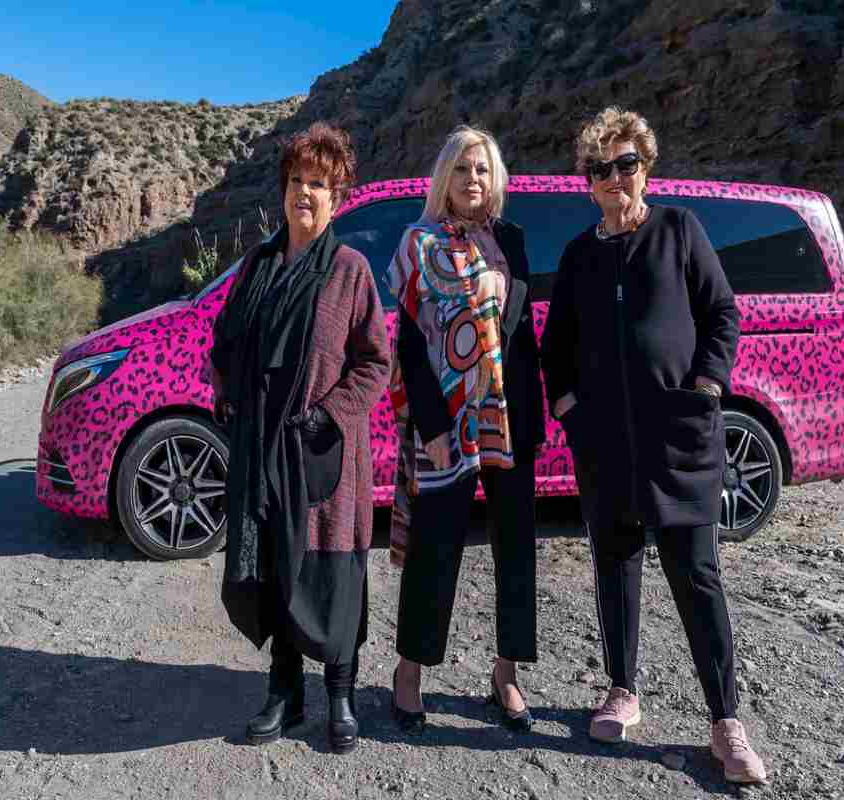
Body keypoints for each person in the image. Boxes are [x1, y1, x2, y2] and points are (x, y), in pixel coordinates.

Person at [540, 107, 767, 784]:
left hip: (679, 441)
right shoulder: (579, 256)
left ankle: (725, 721)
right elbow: (557, 347)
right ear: (587, 181)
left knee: (697, 576)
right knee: (615, 568)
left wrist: (707, 385)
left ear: (646, 167)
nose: (615, 178)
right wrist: (570, 411)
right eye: (601, 169)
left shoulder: (679, 231)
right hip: (606, 447)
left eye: (626, 164)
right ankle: (621, 689)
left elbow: (721, 313)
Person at [209, 122, 390, 755]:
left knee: (332, 572)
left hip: (321, 452)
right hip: (263, 449)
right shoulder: (258, 265)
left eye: (317, 183)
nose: (303, 193)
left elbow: (375, 361)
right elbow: (225, 340)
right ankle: (284, 692)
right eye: (295, 181)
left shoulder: (349, 270)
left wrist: (330, 413)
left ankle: (340, 695)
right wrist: (228, 393)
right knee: (276, 568)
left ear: (336, 197)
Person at [388, 125, 546, 735]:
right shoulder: (419, 244)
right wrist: (429, 423)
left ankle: (506, 674)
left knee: (515, 547)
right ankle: (409, 672)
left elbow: (520, 330)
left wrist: (534, 414)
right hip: (446, 422)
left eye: (482, 169)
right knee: (435, 544)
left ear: (495, 178)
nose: (472, 179)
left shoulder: (512, 240)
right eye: (461, 168)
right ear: (444, 178)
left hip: (508, 416)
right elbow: (408, 343)